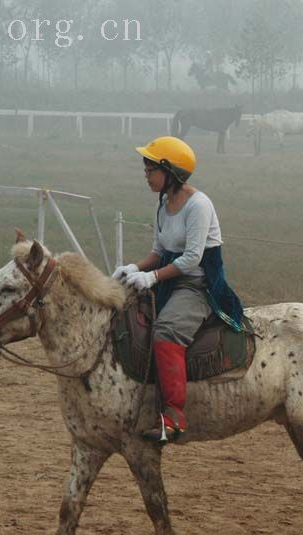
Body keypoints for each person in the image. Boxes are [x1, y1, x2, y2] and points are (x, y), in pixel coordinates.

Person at [112, 136, 244, 444]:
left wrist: (153, 278)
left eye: (150, 170)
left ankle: (173, 417)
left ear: (169, 171)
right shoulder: (163, 203)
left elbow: (192, 259)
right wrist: (135, 268)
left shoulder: (198, 205)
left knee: (166, 331)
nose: (146, 175)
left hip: (198, 284)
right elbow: (159, 250)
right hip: (168, 277)